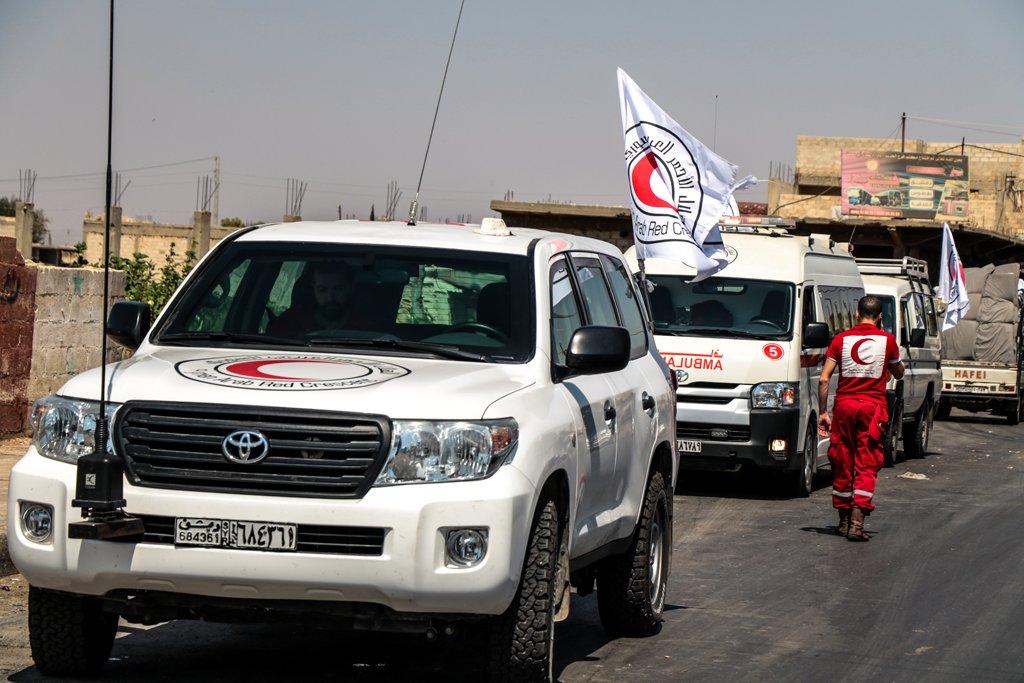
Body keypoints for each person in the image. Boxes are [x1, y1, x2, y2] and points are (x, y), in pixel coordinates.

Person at [817, 295, 905, 542]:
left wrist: (823, 412)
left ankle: (843, 522)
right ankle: (857, 524)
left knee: (842, 459)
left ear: (856, 314)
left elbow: (824, 379)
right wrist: (893, 367)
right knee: (867, 461)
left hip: (844, 406)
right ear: (880, 318)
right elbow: (898, 372)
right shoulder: (887, 340)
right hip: (872, 408)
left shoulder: (840, 340)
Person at [267, 261, 356, 337]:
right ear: (313, 289)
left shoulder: (365, 327)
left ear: (350, 288)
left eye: (338, 289)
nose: (330, 297)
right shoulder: (290, 323)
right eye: (322, 290)